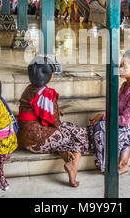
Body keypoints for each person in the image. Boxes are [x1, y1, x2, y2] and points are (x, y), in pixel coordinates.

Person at [17, 56, 89, 187]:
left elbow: (37, 109)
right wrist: (55, 111)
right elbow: (55, 123)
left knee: (69, 131)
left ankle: (66, 155)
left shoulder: (28, 89)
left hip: (24, 139)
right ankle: (73, 167)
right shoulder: (47, 94)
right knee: (79, 133)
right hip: (37, 142)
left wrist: (55, 109)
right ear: (50, 76)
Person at [88, 50, 130, 175]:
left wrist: (103, 116)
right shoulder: (124, 85)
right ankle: (121, 155)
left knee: (102, 127)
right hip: (129, 127)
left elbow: (124, 120)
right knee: (95, 127)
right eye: (121, 64)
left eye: (124, 66)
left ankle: (107, 166)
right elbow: (118, 110)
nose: (120, 67)